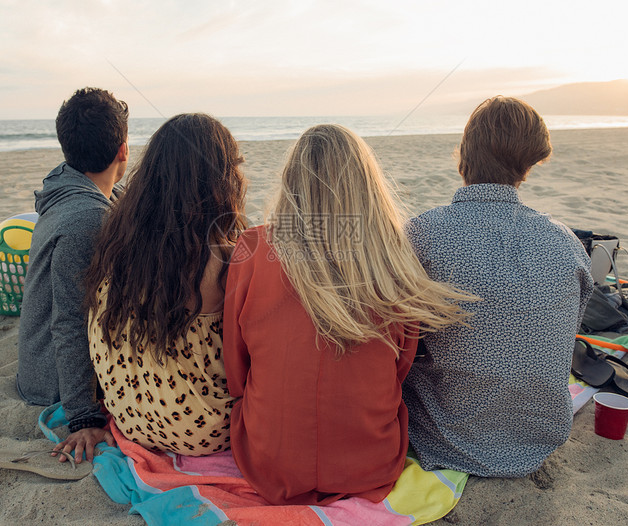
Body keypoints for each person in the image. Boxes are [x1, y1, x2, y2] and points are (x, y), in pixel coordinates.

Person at [223, 124, 467, 505]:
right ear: (365, 184)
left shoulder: (254, 247)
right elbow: (400, 367)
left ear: (291, 180)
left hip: (269, 463)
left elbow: (236, 371)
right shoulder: (392, 255)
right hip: (370, 463)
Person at [403, 96, 594, 477]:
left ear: (463, 155)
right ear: (528, 164)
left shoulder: (420, 235)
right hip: (537, 440)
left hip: (441, 438)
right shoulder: (566, 243)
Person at [85, 113, 246, 456]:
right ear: (221, 178)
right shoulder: (224, 258)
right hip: (202, 431)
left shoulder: (117, 238)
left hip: (130, 417)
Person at [17, 87, 129, 464]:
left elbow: (122, 195)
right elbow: (69, 320)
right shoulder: (88, 221)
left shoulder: (66, 186)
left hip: (39, 356)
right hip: (53, 382)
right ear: (123, 150)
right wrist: (83, 417)